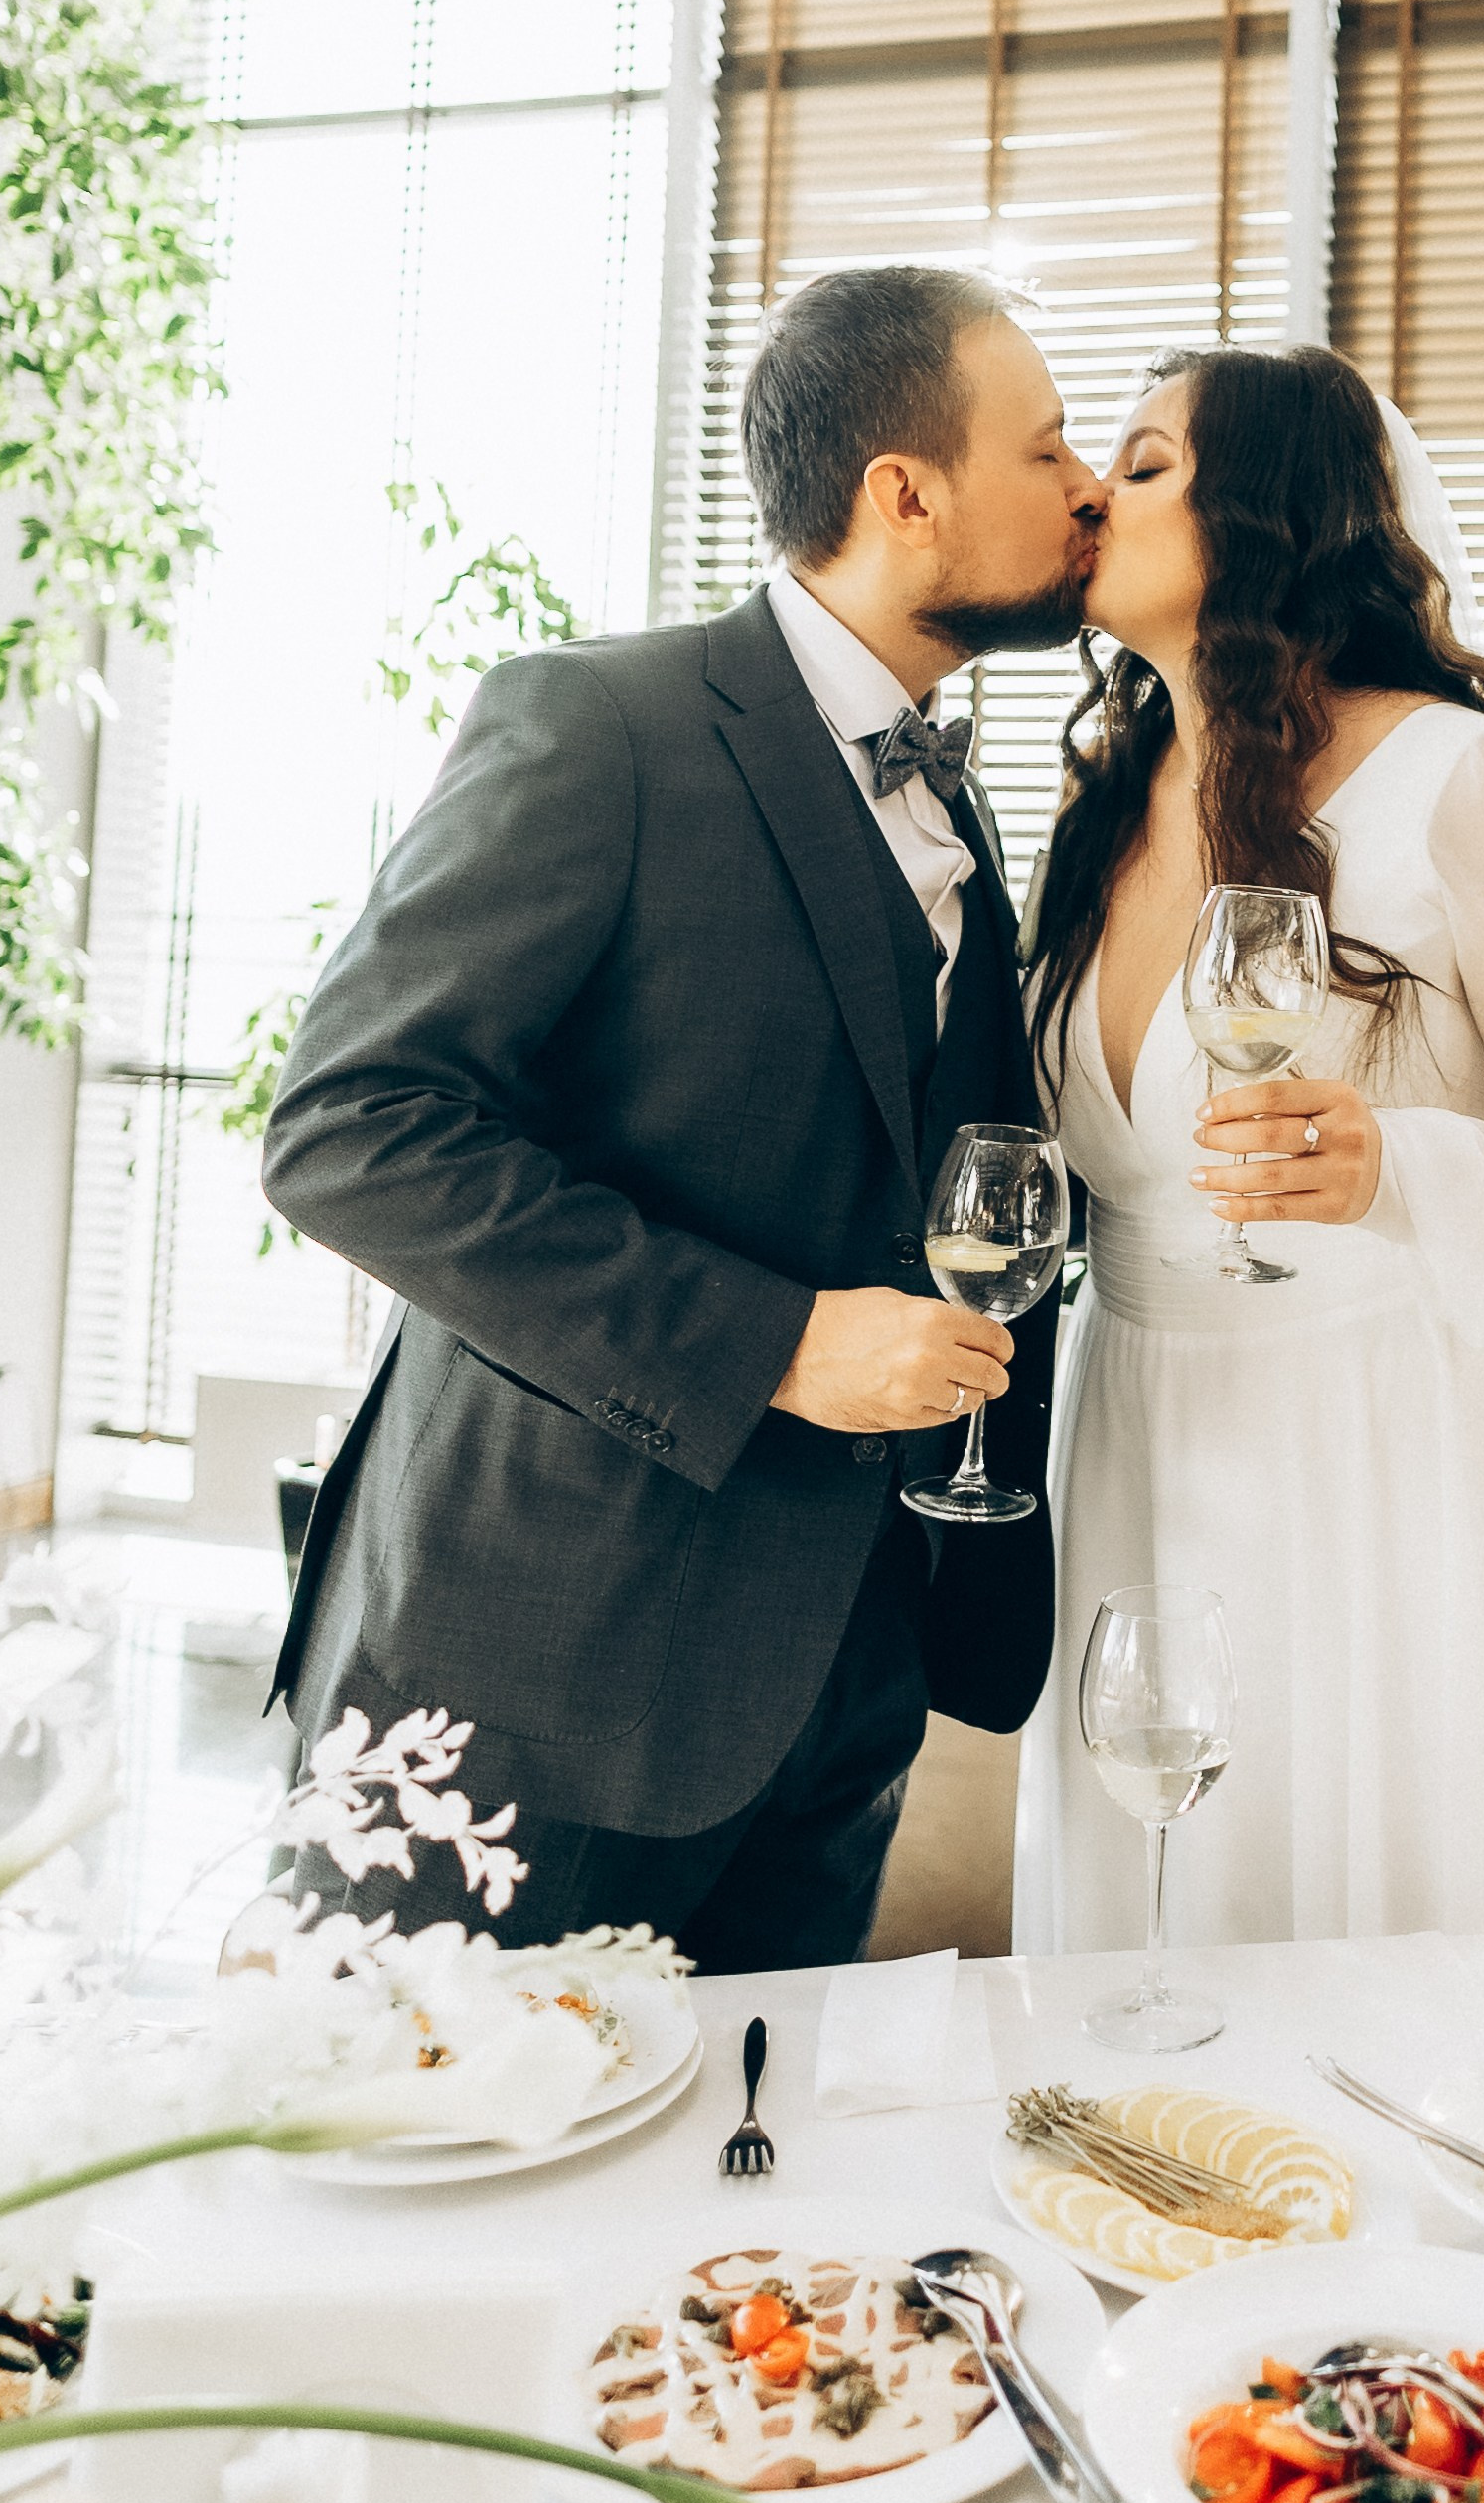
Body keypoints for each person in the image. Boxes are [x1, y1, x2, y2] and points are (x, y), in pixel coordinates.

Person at [263, 265, 1101, 1965]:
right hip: (532, 1681)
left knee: (745, 2207)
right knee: (422, 2195)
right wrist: (777, 1344)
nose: (1088, 485)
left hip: (836, 1699)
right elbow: (352, 1123)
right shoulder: (604, 728)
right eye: (1051, 448)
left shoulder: (957, 800)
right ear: (905, 493)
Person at [1012, 344, 1484, 1951]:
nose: (1085, 495)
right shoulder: (1100, 805)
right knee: (1176, 1952)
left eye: (1139, 466)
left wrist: (1400, 1168)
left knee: (1407, 1919)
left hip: (1405, 1456)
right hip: (1141, 1444)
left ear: (1260, 509)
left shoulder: (1469, 783)